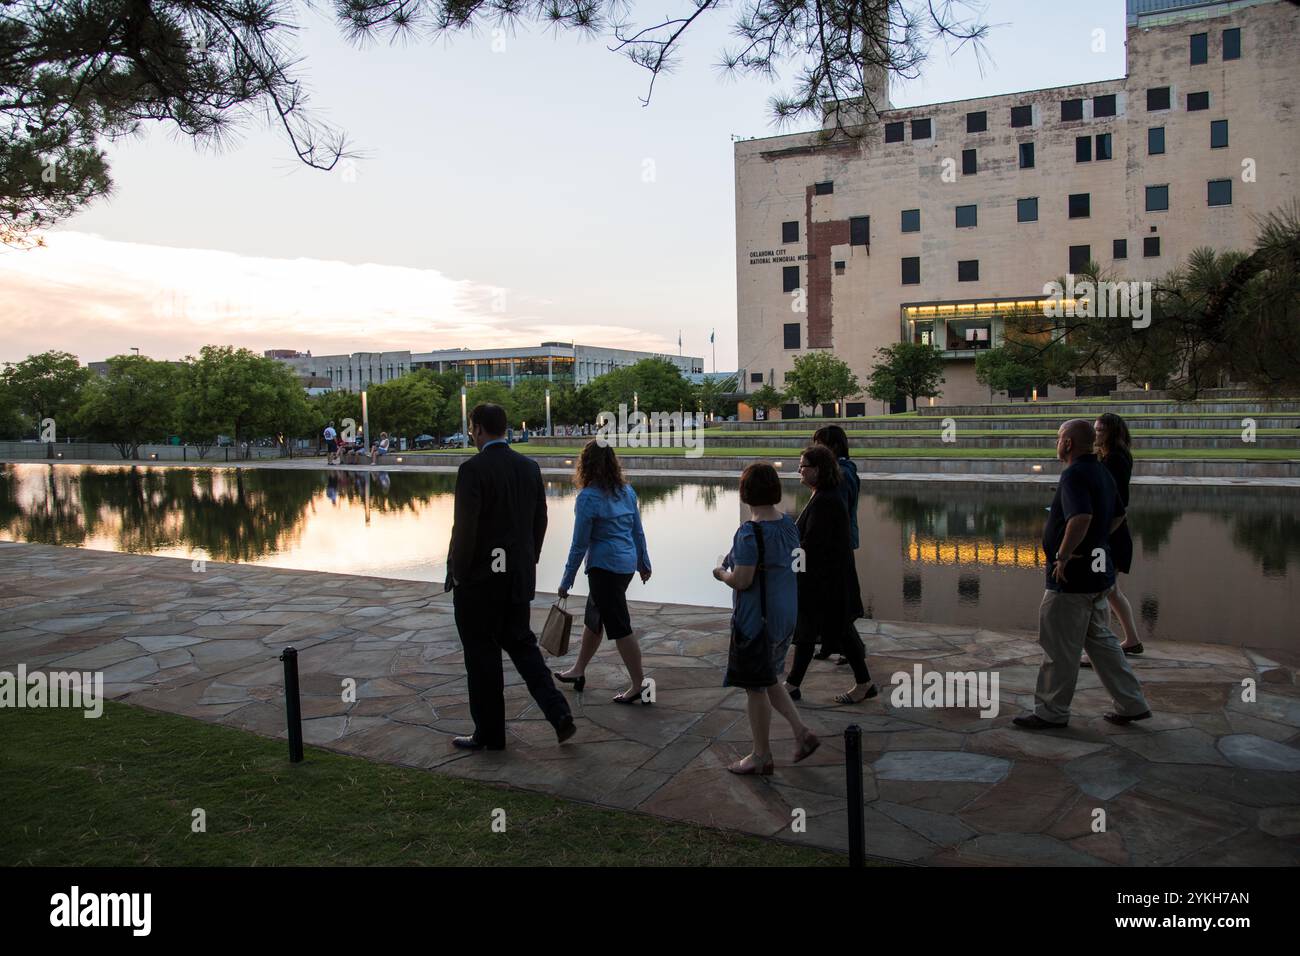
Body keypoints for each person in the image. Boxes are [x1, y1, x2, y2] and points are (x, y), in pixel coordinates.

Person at [445, 403, 576, 750]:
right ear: (505, 428)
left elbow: (466, 529)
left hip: (479, 584)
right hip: (516, 578)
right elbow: (540, 520)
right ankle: (559, 714)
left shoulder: (472, 470)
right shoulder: (529, 467)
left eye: (472, 428)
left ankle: (490, 733)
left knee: (481, 657)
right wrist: (527, 559)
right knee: (523, 648)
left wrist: (458, 574)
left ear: (477, 429)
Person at [1014, 419, 1152, 730]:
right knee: (1103, 643)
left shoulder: (1075, 474)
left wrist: (1064, 555)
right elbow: (1118, 516)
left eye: (1059, 437)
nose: (1057, 443)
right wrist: (1096, 543)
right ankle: (1132, 703)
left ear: (1067, 443)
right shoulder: (1102, 470)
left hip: (1072, 578)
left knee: (1058, 646)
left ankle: (1051, 712)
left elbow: (1081, 517)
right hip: (1097, 574)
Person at [714, 462, 819, 774]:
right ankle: (802, 733)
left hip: (756, 621)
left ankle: (761, 756)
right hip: (786, 615)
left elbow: (743, 580)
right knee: (770, 677)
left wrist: (721, 574)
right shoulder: (788, 524)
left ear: (745, 493)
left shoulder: (749, 532)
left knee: (755, 687)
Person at [553, 440, 653, 704]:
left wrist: (566, 579)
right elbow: (637, 531)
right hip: (624, 566)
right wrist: (643, 562)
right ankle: (578, 670)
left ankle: (638, 684)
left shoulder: (588, 498)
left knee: (620, 627)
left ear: (585, 464)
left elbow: (579, 543)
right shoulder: (627, 492)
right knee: (594, 618)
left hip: (604, 568)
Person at [784, 445, 877, 704]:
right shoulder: (825, 495)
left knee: (821, 631)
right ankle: (793, 685)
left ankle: (863, 683)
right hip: (827, 582)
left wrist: (784, 560)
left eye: (803, 466)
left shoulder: (826, 501)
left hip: (825, 583)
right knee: (822, 632)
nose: (799, 470)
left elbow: (812, 545)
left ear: (818, 469)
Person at [1083, 412, 1140, 667]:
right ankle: (1132, 640)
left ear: (1113, 432)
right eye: (1095, 430)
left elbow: (1115, 501)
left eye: (1101, 430)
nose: (1096, 435)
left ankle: (1100, 649)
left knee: (1101, 590)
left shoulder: (1115, 459)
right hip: (1114, 530)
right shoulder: (1113, 457)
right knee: (1111, 589)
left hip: (1111, 532)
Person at [811, 425, 860, 666]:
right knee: (830, 596)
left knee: (838, 596)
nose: (815, 448)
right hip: (834, 542)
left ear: (835, 446)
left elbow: (837, 511)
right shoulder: (838, 472)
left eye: (820, 443)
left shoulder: (843, 474)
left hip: (837, 543)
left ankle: (852, 649)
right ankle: (831, 644)